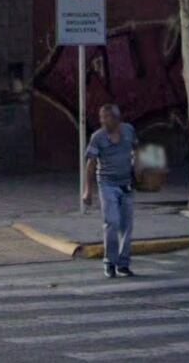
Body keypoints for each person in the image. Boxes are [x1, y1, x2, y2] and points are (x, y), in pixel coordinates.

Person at [82, 104, 138, 278]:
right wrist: (87, 191)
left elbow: (136, 149)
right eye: (101, 117)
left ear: (116, 118)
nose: (103, 120)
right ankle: (109, 262)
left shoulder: (128, 130)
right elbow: (90, 164)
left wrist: (139, 168)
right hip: (107, 185)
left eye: (106, 117)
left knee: (127, 226)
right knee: (112, 223)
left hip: (127, 184)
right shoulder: (97, 137)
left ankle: (123, 263)